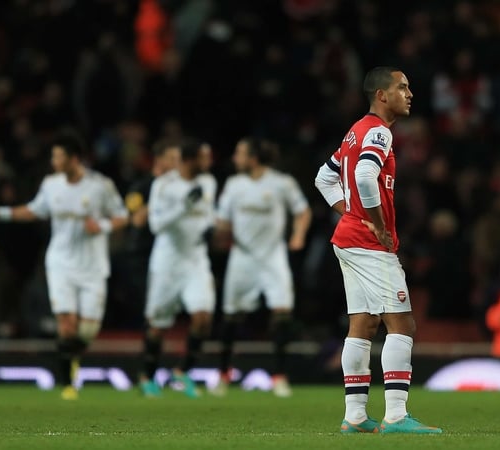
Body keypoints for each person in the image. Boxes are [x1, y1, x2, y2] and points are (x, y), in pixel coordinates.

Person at [314, 66, 441, 434]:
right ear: (382, 95)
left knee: (363, 323)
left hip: (347, 239)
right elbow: (365, 176)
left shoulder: (355, 131)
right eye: (402, 87)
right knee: (402, 322)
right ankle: (397, 416)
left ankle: (354, 416)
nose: (409, 94)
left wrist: (350, 212)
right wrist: (377, 224)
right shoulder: (379, 132)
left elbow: (324, 178)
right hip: (368, 244)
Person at [0, 130, 128, 400]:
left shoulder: (100, 186)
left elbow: (122, 216)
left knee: (87, 330)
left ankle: (73, 356)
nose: (54, 161)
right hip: (60, 264)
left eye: (58, 156)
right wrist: (0, 212)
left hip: (92, 267)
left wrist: (102, 225)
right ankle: (68, 381)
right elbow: (34, 210)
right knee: (66, 325)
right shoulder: (51, 184)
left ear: (74, 158)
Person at [212, 137, 312, 398]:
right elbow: (223, 221)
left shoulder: (281, 183)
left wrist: (298, 235)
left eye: (240, 153)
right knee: (231, 317)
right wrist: (219, 232)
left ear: (253, 159)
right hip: (242, 257)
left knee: (282, 313)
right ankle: (223, 374)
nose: (235, 158)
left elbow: (303, 211)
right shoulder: (234, 185)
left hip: (272, 256)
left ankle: (279, 376)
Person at [139, 140, 217, 398]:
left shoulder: (208, 183)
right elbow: (156, 225)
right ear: (189, 158)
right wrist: (184, 206)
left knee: (203, 317)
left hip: (196, 259)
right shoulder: (164, 185)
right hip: (167, 262)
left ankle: (182, 372)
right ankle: (147, 376)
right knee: (158, 324)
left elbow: (207, 216)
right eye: (203, 157)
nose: (208, 162)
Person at [120, 140, 181, 327]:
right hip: (142, 255)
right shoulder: (141, 187)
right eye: (172, 159)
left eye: (179, 159)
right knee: (150, 308)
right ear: (159, 161)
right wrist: (157, 202)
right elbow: (137, 219)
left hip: (171, 253)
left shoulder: (180, 188)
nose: (177, 163)